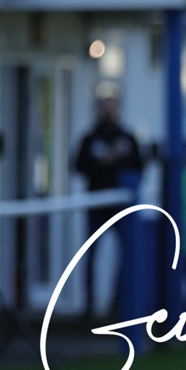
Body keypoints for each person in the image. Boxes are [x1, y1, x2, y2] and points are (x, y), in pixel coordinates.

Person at [74, 94, 143, 318]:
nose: (109, 112)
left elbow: (140, 166)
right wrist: (100, 165)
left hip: (121, 208)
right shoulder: (90, 138)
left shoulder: (127, 137)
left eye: (112, 107)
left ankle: (118, 303)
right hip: (96, 205)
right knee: (91, 254)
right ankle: (89, 305)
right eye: (105, 108)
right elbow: (78, 165)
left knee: (126, 255)